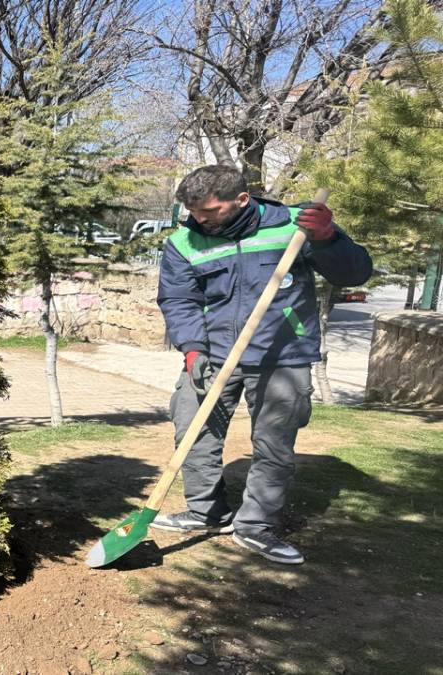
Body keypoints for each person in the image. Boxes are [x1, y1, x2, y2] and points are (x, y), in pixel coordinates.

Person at [153, 165, 373, 564]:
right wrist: (192, 348)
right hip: (213, 354)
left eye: (210, 211)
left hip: (282, 354)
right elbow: (178, 299)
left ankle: (255, 524)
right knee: (192, 428)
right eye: (193, 211)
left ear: (241, 200)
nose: (199, 219)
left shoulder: (294, 225)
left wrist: (327, 239)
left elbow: (355, 272)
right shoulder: (185, 242)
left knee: (273, 443)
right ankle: (207, 512)